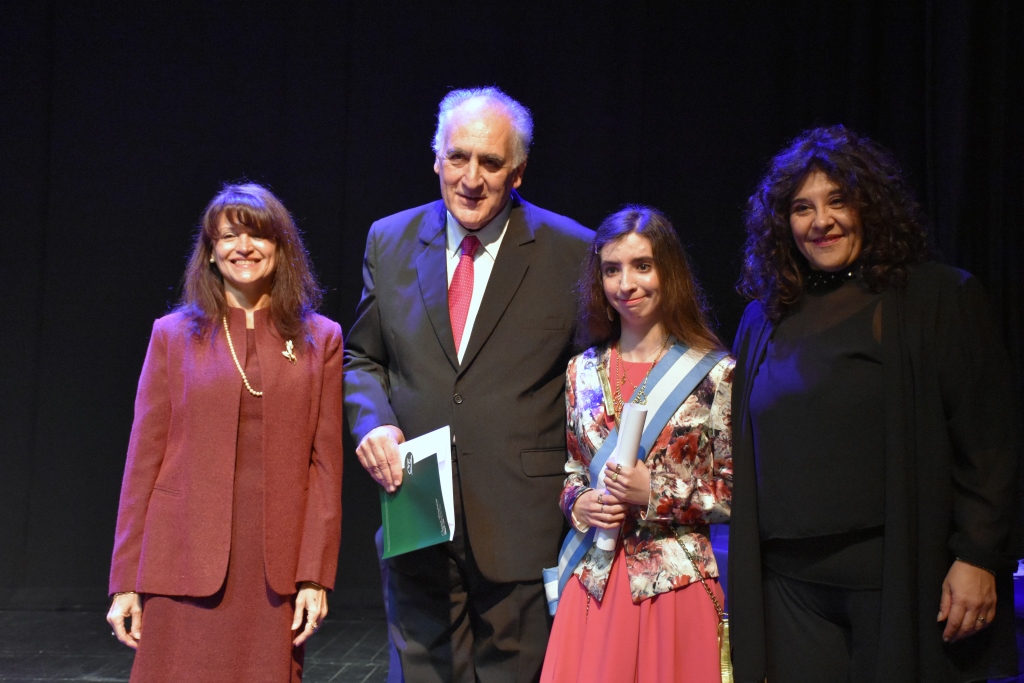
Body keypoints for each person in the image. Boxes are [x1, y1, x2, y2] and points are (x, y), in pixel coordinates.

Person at [728, 125, 1021, 682]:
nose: (821, 221)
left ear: (872, 205)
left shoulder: (936, 297)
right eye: (802, 208)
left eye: (839, 200)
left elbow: (988, 443)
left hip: (899, 581)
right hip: (789, 589)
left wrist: (979, 555)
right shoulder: (764, 317)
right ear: (781, 223)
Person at [343, 86, 592, 682]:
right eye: (458, 157)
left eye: (491, 162)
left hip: (520, 520)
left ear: (519, 172)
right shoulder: (390, 239)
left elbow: (592, 380)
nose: (472, 178)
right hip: (416, 510)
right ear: (435, 158)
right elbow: (361, 357)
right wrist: (372, 421)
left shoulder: (572, 250)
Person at [107, 183, 343, 682]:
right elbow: (142, 461)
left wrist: (314, 574)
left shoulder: (320, 338)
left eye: (257, 235)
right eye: (229, 236)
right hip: (181, 559)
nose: (243, 247)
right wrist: (125, 581)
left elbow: (326, 467)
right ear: (211, 253)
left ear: (280, 249)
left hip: (272, 568)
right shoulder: (171, 335)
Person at [540, 206, 734, 683]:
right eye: (612, 269)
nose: (626, 283)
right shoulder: (580, 372)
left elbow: (737, 489)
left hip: (673, 586)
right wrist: (579, 503)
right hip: (593, 583)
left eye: (642, 266)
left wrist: (655, 492)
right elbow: (572, 471)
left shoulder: (715, 374)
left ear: (668, 271)